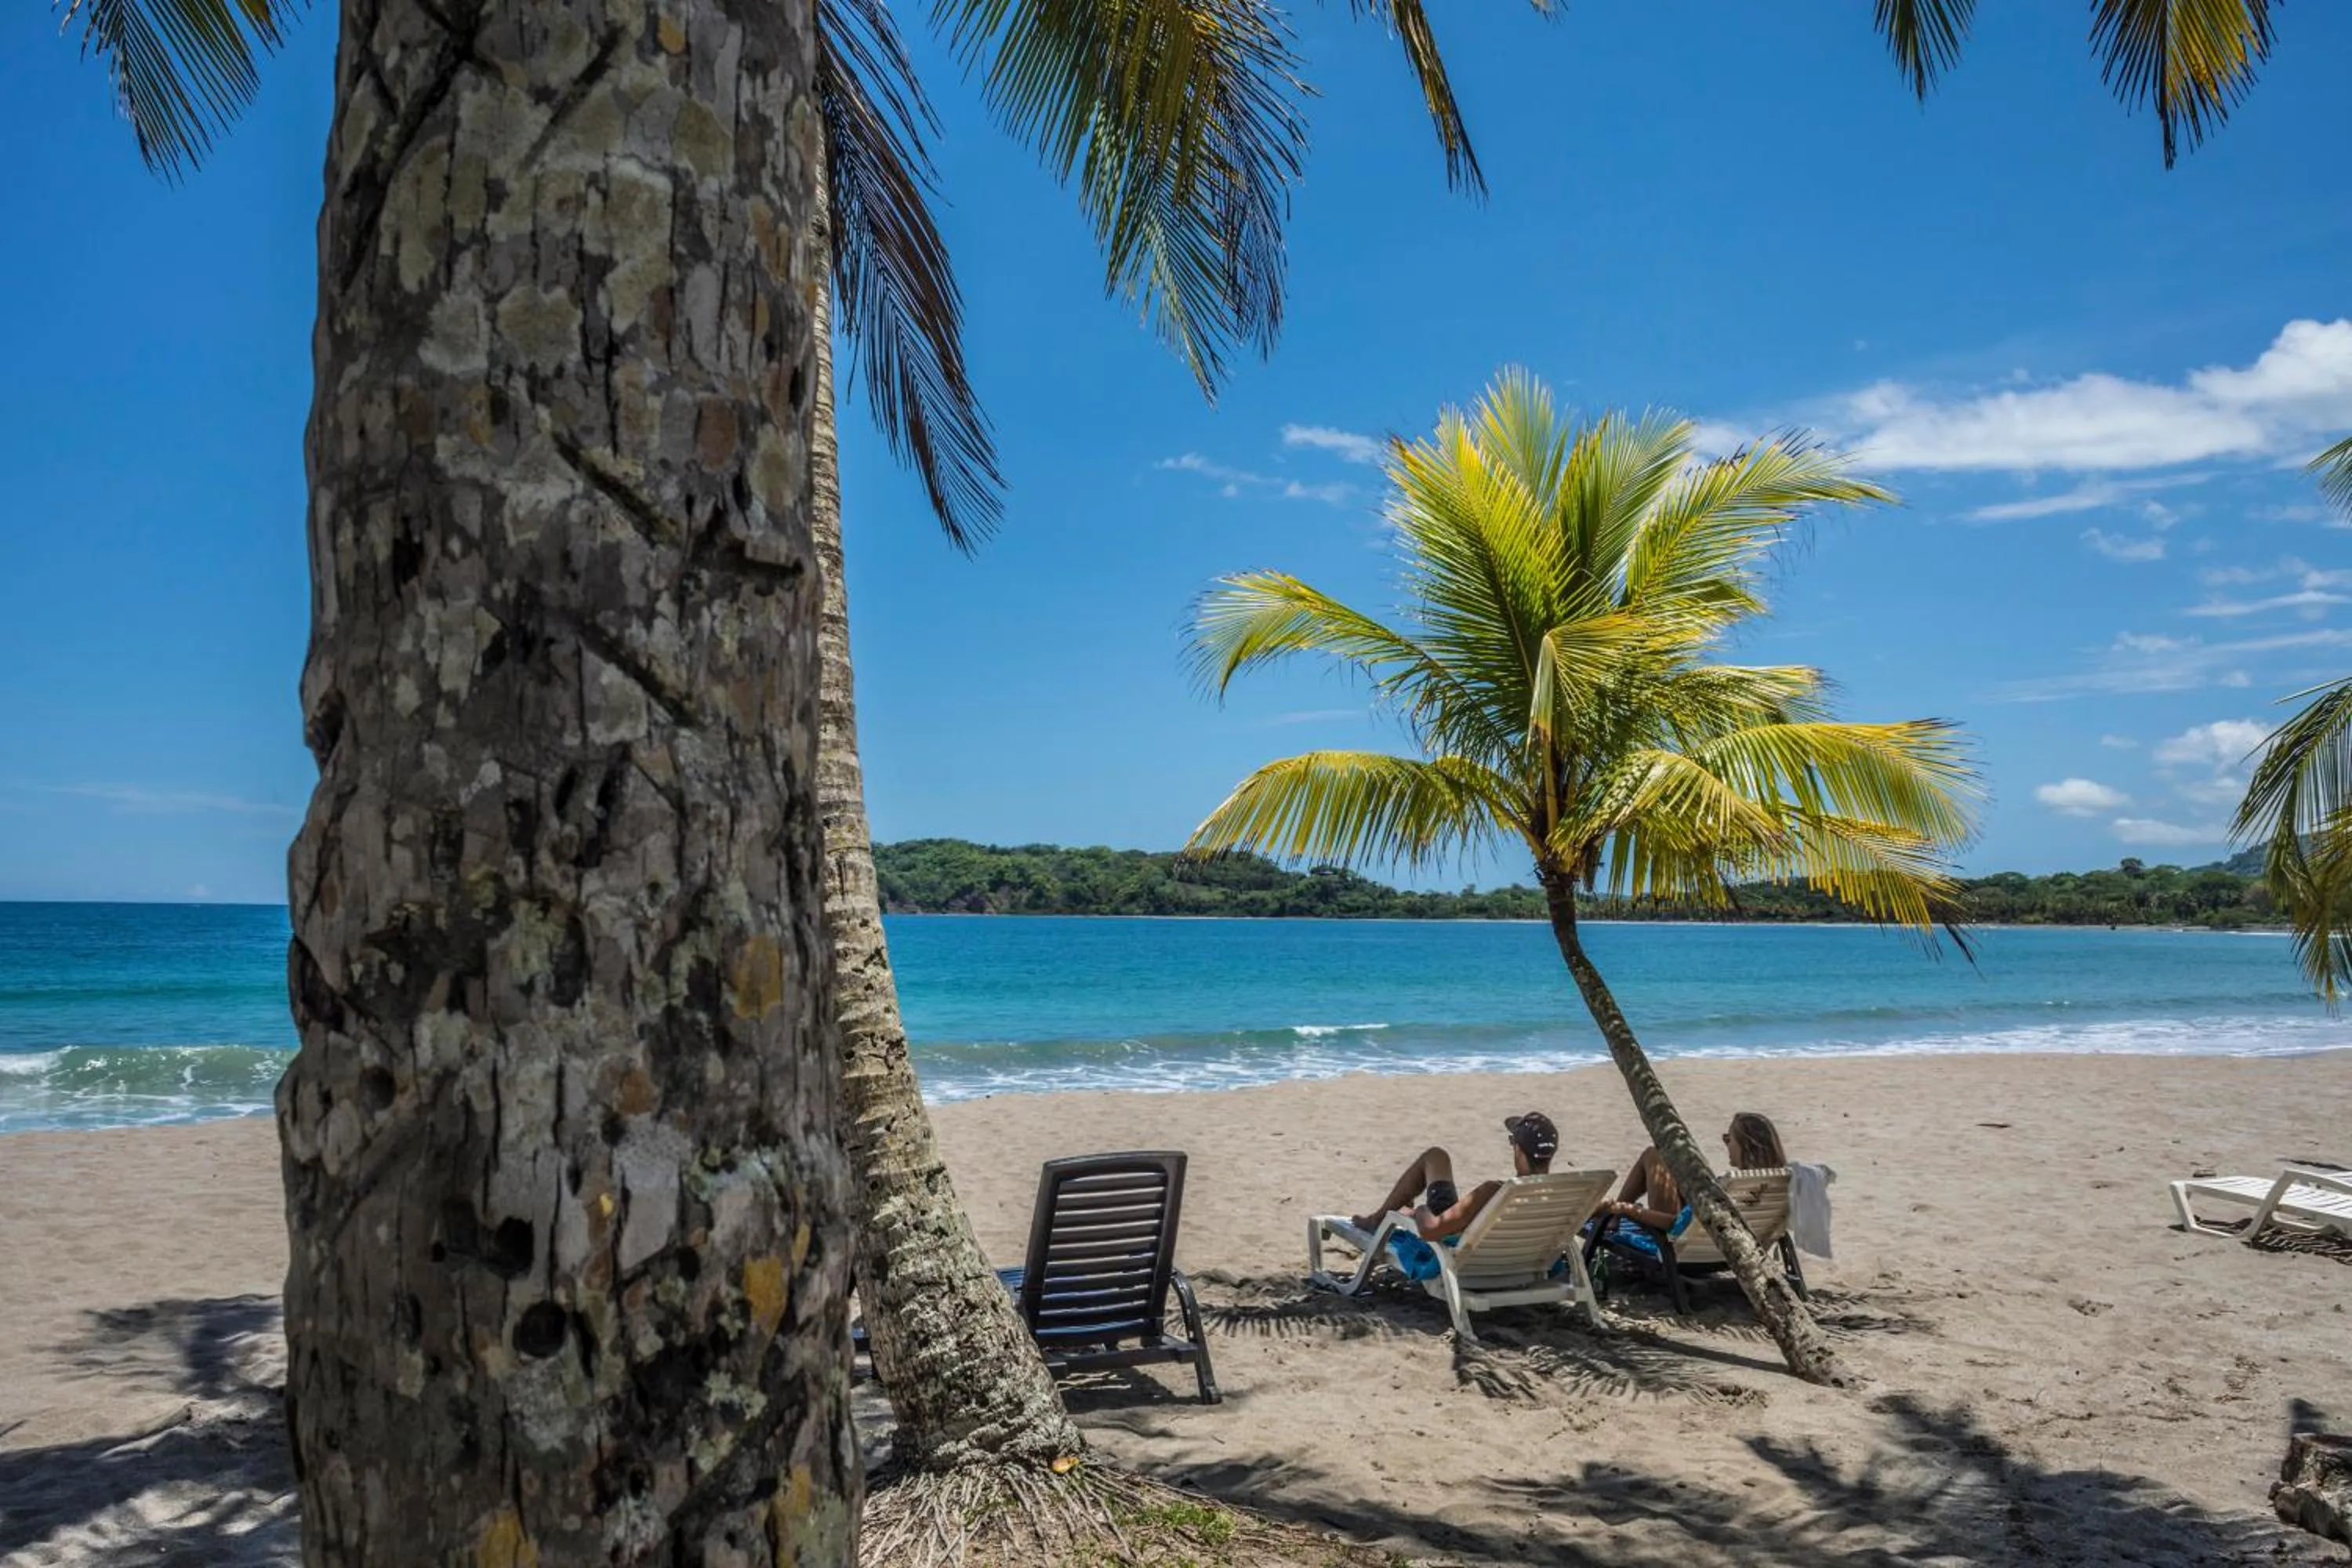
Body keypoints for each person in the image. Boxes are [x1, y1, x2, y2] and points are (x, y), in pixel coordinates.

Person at [1348, 1112, 1559, 1279]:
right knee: (1437, 1157)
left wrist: (1419, 1211)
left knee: (1435, 1156)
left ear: (1519, 1152)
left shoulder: (1493, 1192)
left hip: (1471, 1258)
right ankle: (1379, 1218)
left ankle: (1376, 1220)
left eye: (1512, 1141)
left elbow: (1431, 1232)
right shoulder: (1562, 1197)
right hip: (1524, 1260)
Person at [1595, 1111, 1786, 1241]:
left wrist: (1627, 1210)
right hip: (1726, 1245)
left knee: (1653, 1154)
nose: (1726, 1144)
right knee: (1668, 1162)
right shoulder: (1779, 1184)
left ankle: (1612, 1213)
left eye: (1728, 1139)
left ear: (1746, 1145)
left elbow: (1674, 1225)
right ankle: (1610, 1212)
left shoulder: (1733, 1187)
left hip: (1681, 1248)